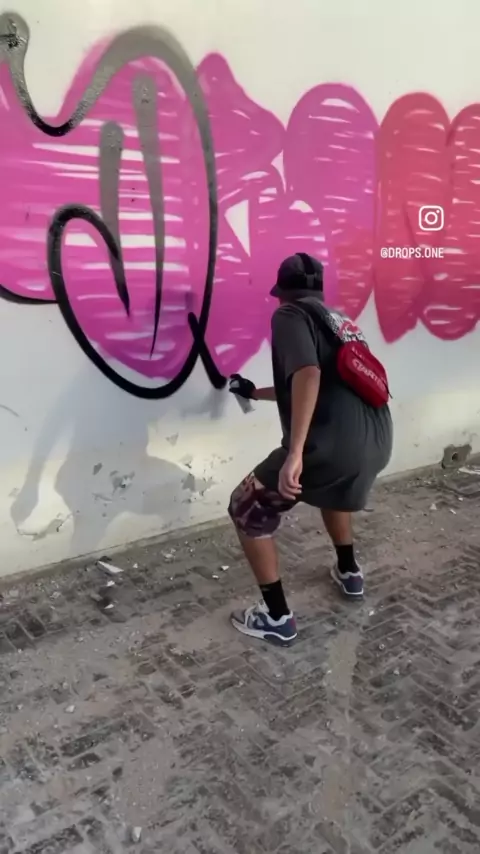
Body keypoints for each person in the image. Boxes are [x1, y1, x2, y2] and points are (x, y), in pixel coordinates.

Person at [227, 252, 393, 645]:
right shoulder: (339, 321)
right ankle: (350, 573)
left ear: (282, 293)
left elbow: (308, 374)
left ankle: (277, 618)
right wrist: (254, 393)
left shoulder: (289, 315)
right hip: (376, 439)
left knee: (246, 507)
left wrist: (295, 453)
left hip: (330, 446)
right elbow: (316, 384)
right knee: (331, 489)